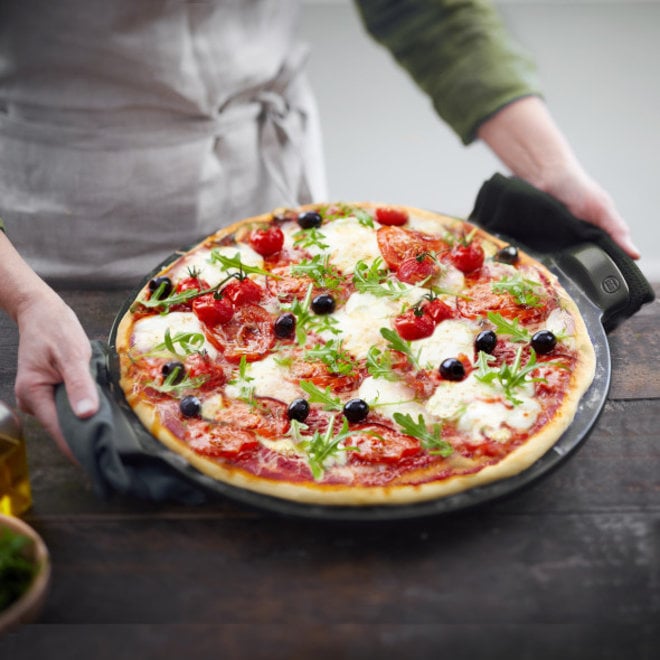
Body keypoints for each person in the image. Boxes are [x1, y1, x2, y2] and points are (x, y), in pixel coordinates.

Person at [0, 0, 640, 459]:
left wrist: (551, 170)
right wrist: (24, 297)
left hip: (271, 195)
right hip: (54, 235)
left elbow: (427, 9)